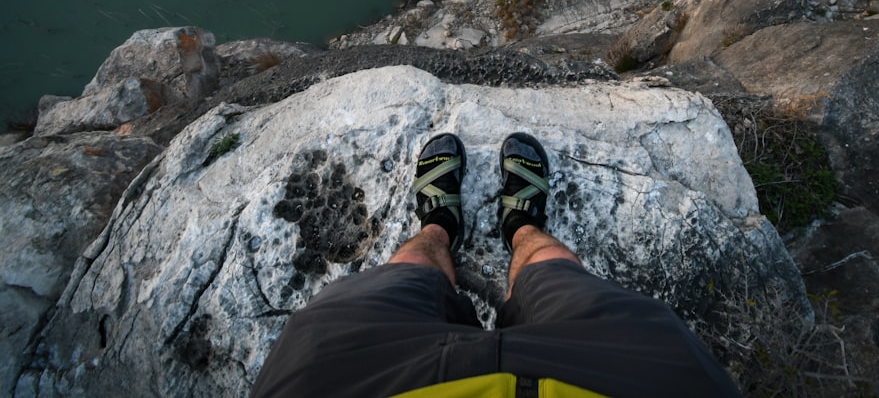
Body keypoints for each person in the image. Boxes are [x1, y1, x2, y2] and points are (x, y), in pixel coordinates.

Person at [252, 132, 743, 397]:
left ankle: (439, 225)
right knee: (553, 271)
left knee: (399, 278)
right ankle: (521, 229)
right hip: (612, 377)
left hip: (372, 379)